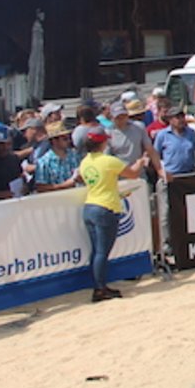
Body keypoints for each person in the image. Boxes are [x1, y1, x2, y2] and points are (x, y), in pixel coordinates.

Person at [79, 126, 144, 302]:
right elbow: (133, 174)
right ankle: (100, 288)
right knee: (102, 251)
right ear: (102, 143)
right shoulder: (108, 161)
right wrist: (140, 162)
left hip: (90, 205)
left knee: (96, 251)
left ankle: (98, 285)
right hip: (106, 207)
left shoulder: (85, 162)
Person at [153, 107, 195, 178]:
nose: (181, 120)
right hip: (170, 175)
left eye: (182, 117)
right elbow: (155, 155)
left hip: (189, 174)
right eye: (177, 118)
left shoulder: (191, 133)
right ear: (170, 120)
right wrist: (160, 172)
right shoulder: (163, 135)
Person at [34, 121, 82, 192]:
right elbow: (40, 187)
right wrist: (63, 185)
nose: (68, 141)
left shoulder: (75, 156)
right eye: (64, 139)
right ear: (54, 140)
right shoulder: (43, 162)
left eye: (69, 138)